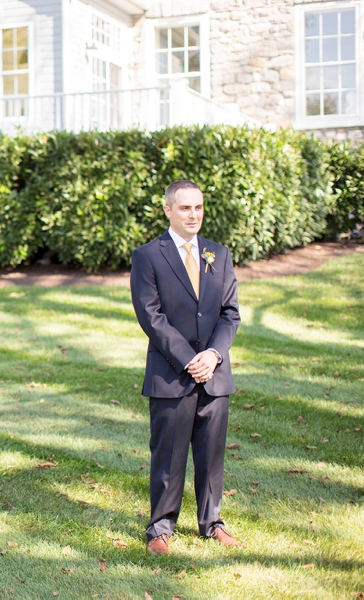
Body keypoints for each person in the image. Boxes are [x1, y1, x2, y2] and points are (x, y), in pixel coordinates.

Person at [130, 180, 242, 555]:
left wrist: (213, 355)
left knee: (211, 456)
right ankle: (160, 528)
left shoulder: (218, 254)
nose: (193, 214)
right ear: (168, 210)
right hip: (171, 374)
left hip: (214, 373)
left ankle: (212, 523)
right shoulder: (148, 256)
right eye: (184, 208)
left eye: (198, 207)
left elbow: (230, 314)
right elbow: (151, 316)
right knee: (168, 454)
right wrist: (188, 359)